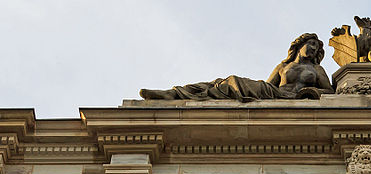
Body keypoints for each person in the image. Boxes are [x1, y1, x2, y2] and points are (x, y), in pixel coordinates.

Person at [140, 34, 333, 101]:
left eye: (316, 48)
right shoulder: (283, 66)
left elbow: (330, 92)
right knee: (224, 84)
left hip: (295, 98)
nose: (313, 49)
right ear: (300, 45)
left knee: (230, 84)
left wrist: (310, 92)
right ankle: (175, 94)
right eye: (311, 44)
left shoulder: (317, 70)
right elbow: (268, 86)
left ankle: (176, 95)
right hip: (274, 93)